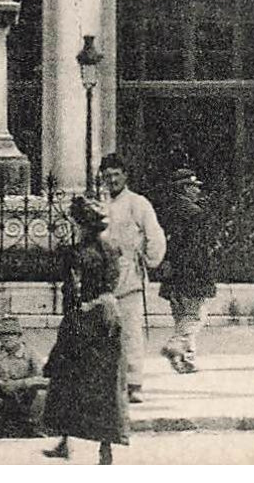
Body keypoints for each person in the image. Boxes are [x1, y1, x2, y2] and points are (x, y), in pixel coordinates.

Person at [43, 195, 128, 466]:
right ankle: (105, 447)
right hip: (108, 320)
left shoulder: (75, 254)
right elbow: (112, 285)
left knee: (67, 380)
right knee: (103, 384)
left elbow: (73, 291)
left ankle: (65, 440)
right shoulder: (112, 250)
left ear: (81, 224)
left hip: (82, 321)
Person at [97, 153, 166, 403]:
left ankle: (133, 383)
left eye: (117, 174)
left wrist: (148, 262)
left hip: (129, 278)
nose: (112, 180)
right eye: (108, 176)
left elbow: (155, 237)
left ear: (125, 175)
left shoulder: (138, 204)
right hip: (103, 278)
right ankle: (109, 385)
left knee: (130, 333)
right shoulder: (99, 204)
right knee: (104, 334)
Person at [153, 168, 215, 374]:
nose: (198, 191)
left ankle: (186, 360)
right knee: (194, 316)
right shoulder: (195, 214)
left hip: (172, 273)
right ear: (185, 189)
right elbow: (196, 248)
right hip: (192, 273)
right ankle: (176, 345)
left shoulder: (167, 211)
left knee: (180, 316)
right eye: (194, 187)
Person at [0, 315, 48, 437]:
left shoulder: (30, 353)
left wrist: (21, 384)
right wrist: (2, 382)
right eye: (2, 335)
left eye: (11, 334)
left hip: (26, 395)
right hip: (6, 394)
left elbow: (44, 377)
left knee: (41, 393)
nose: (6, 338)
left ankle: (34, 426)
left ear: (19, 336)